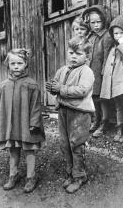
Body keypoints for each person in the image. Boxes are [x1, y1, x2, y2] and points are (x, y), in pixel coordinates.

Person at [46, 36, 95, 194]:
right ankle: (70, 172)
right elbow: (56, 85)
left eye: (78, 53)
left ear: (87, 57)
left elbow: (81, 90)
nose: (73, 56)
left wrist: (60, 88)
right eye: (70, 52)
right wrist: (52, 87)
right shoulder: (63, 69)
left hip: (79, 113)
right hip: (63, 111)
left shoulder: (87, 71)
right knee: (64, 143)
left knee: (76, 144)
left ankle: (80, 176)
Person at [0, 48, 45, 193]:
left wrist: (34, 123)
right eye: (13, 63)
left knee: (29, 149)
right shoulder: (3, 86)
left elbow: (36, 106)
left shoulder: (31, 85)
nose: (16, 66)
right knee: (13, 149)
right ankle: (13, 174)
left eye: (20, 63)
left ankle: (31, 176)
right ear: (8, 65)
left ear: (26, 64)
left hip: (27, 125)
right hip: (11, 125)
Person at [100, 15, 123, 143]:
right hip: (114, 82)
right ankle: (119, 127)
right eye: (116, 33)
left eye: (122, 33)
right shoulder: (112, 47)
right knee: (118, 107)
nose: (119, 35)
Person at [82, 5, 113, 138]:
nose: (95, 25)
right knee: (94, 97)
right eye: (92, 22)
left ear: (103, 20)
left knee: (103, 98)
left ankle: (105, 122)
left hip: (102, 72)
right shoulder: (90, 37)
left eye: (98, 22)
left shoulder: (107, 36)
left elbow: (107, 56)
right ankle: (97, 119)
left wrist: (105, 73)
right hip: (91, 72)